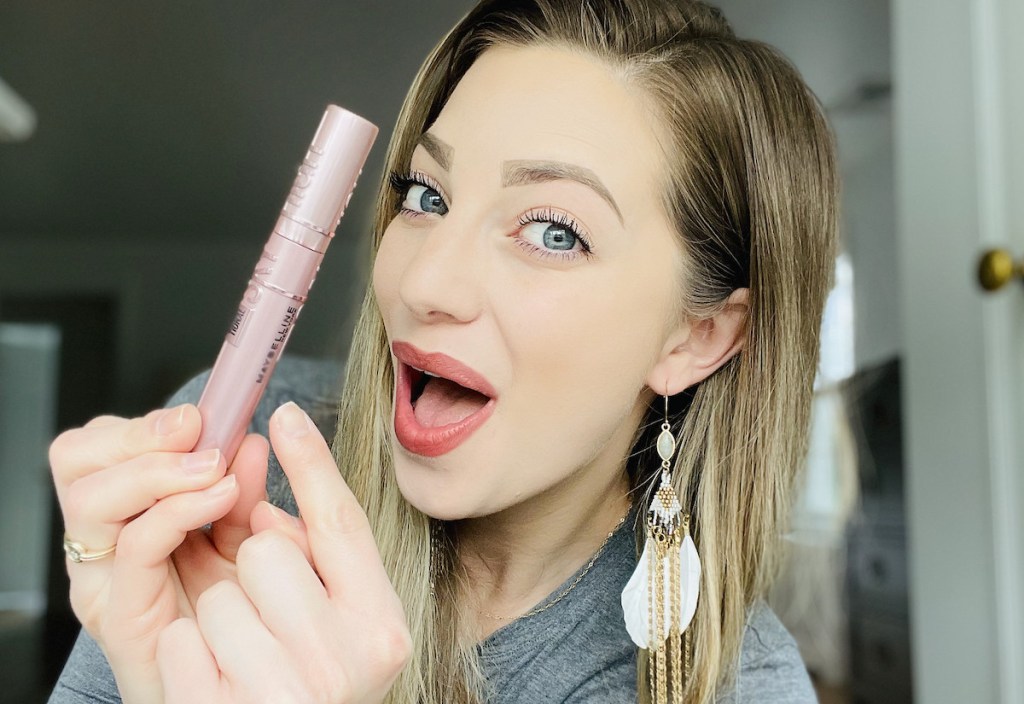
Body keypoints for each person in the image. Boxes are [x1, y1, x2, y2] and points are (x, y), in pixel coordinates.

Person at [47, 1, 838, 702]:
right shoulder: (242, 452)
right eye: (427, 196)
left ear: (697, 337)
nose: (426, 281)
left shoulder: (735, 687)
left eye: (554, 232)